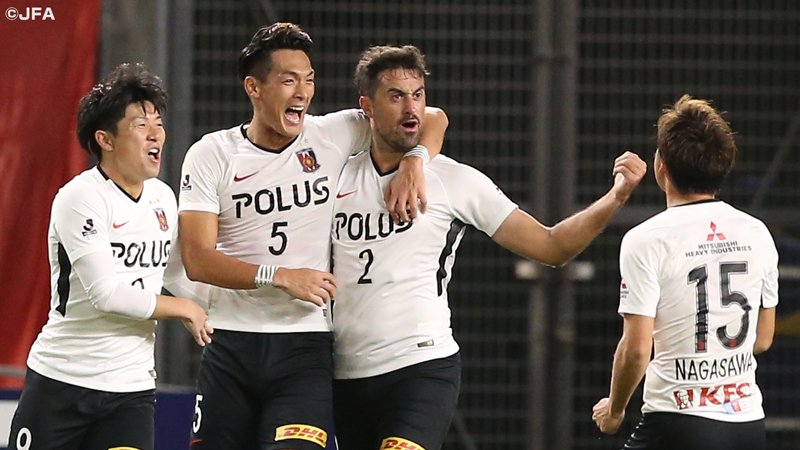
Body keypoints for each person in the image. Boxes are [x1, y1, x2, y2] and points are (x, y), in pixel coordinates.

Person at [329, 44, 646, 450]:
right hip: (343, 371)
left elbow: (552, 246)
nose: (411, 108)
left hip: (420, 365)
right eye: (395, 96)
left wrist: (617, 197)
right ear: (366, 108)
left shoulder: (453, 181)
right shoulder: (334, 176)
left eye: (418, 95)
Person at [166, 23, 446, 449]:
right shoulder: (212, 154)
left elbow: (431, 117)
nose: (303, 92)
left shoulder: (331, 133)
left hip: (305, 346)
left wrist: (415, 160)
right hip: (231, 345)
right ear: (254, 88)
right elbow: (198, 259)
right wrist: (278, 276)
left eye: (309, 79)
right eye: (288, 80)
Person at [7, 63, 212, 450]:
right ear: (105, 139)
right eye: (140, 125)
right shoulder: (80, 197)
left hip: (130, 392)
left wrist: (224, 309)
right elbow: (107, 294)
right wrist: (184, 309)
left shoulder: (162, 197)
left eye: (158, 123)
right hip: (62, 383)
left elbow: (173, 274)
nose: (155, 134)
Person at [592, 95, 778, 450]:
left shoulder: (646, 239)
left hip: (677, 421)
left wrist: (614, 410)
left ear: (661, 166)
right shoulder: (757, 232)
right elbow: (763, 339)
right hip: (747, 423)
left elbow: (636, 349)